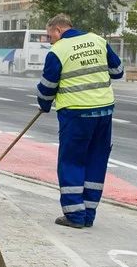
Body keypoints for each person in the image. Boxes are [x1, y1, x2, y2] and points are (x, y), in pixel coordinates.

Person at [35, 14, 123, 229]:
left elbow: (47, 86)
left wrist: (44, 104)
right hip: (103, 112)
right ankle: (89, 214)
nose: (50, 41)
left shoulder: (58, 51)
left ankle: (75, 215)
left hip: (76, 113)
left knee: (72, 161)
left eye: (50, 36)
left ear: (57, 29)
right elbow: (117, 71)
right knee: (96, 160)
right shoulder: (98, 40)